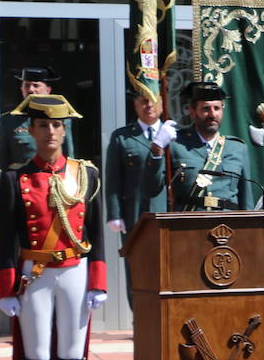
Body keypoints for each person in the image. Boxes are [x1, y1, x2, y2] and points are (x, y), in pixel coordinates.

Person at [0, 94, 106, 360]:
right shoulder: (15, 178)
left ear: (64, 129)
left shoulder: (86, 173)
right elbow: (7, 236)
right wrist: (7, 289)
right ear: (33, 130)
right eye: (44, 125)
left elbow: (96, 232)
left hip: (75, 271)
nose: (51, 132)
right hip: (34, 273)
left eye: (58, 125)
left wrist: (98, 280)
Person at [148, 82, 253, 211]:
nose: (212, 114)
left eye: (217, 108)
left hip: (227, 226)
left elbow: (246, 199)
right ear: (192, 112)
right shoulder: (176, 145)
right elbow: (150, 189)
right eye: (205, 109)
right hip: (188, 225)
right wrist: (157, 149)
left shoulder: (237, 148)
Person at [104, 91, 168, 303]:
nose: (148, 105)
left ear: (161, 102)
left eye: (153, 99)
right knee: (137, 270)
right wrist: (114, 213)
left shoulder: (173, 134)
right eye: (143, 100)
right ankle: (139, 321)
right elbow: (113, 178)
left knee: (167, 271)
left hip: (167, 214)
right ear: (135, 104)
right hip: (134, 214)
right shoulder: (122, 136)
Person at [0, 66, 75, 169]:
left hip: (53, 180)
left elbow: (69, 158)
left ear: (48, 90)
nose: (31, 90)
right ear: (22, 89)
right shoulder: (8, 121)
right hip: (21, 182)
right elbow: (0, 164)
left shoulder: (62, 119)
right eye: (27, 85)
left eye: (36, 85)